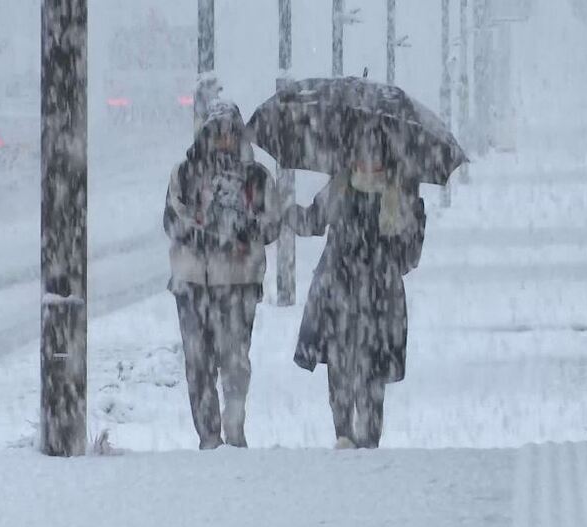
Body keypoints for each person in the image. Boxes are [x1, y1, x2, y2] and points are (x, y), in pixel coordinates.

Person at [287, 126, 426, 449]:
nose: (367, 160)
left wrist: (416, 219)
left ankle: (369, 439)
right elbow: (312, 221)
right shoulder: (340, 185)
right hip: (338, 293)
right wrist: (286, 211)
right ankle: (343, 435)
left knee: (372, 374)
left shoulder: (399, 194)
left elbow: (408, 259)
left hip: (379, 299)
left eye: (374, 153)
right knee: (339, 366)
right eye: (362, 152)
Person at [163, 101, 280, 450]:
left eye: (231, 131)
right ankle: (209, 436)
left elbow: (271, 223)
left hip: (239, 282)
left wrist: (245, 231)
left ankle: (234, 427)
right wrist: (205, 236)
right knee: (197, 363)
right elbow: (172, 219)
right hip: (192, 283)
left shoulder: (256, 177)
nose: (225, 139)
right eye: (218, 132)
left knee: (234, 360)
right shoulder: (184, 173)